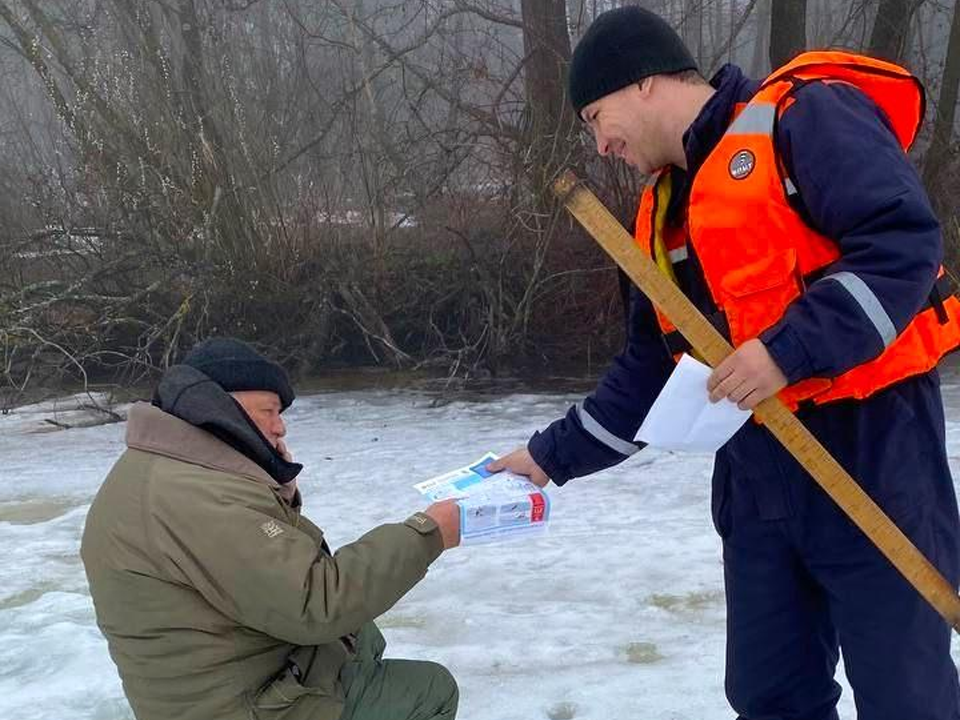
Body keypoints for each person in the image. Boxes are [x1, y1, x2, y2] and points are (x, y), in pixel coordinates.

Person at [490, 6, 960, 719]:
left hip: (873, 453)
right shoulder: (659, 217)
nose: (601, 144)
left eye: (595, 117)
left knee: (906, 694)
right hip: (757, 479)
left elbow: (902, 245)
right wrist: (548, 456)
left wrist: (785, 353)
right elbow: (649, 372)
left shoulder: (805, 119)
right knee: (768, 695)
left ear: (642, 83)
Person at [81, 337, 461, 720]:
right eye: (270, 411)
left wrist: (274, 484)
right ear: (224, 406)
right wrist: (429, 533)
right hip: (235, 706)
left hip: (224, 676)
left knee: (361, 637)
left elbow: (261, 561)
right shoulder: (199, 498)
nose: (280, 428)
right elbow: (318, 601)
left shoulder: (168, 465)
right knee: (430, 690)